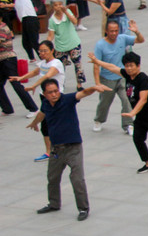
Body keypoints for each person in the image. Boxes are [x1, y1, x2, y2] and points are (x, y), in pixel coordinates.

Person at [29, 79, 107, 220]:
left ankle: (83, 209)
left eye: (56, 91)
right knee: (52, 178)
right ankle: (54, 203)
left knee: (77, 179)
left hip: (73, 148)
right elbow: (42, 113)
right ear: (44, 94)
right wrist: (34, 123)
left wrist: (94, 88)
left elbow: (83, 93)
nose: (54, 94)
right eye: (50, 92)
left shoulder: (68, 99)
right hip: (56, 150)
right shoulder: (46, 103)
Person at [89, 51, 148, 173]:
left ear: (138, 66)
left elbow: (143, 99)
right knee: (138, 139)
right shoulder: (128, 76)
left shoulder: (143, 79)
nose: (128, 68)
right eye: (126, 66)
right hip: (140, 116)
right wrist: (97, 62)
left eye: (131, 65)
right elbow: (113, 68)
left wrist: (132, 113)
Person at [46, 0, 87, 91]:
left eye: (60, 4)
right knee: (60, 67)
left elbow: (74, 22)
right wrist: (47, 45)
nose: (58, 7)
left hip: (73, 43)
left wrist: (67, 12)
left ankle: (79, 84)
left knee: (77, 64)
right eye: (56, 5)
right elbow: (51, 35)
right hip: (60, 46)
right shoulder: (52, 20)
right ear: (52, 7)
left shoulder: (67, 12)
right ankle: (60, 84)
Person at [0, 19, 37, 117]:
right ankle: (7, 109)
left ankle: (33, 108)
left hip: (8, 60)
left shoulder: (2, 27)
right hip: (1, 60)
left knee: (16, 83)